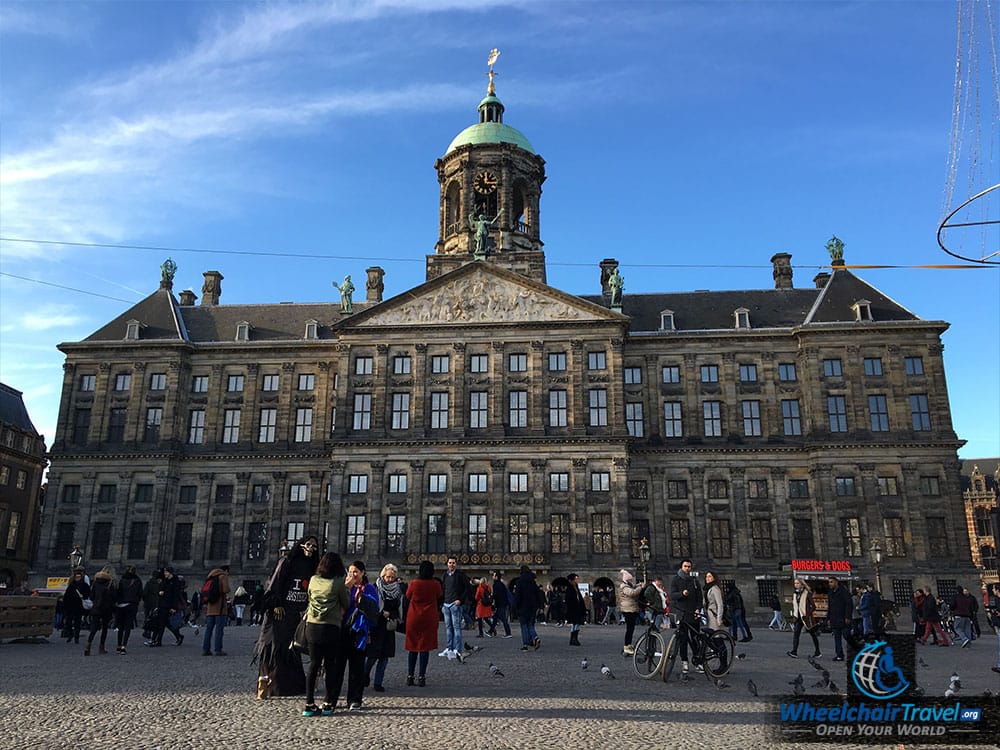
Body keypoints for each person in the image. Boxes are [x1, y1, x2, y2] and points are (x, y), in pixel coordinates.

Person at [254, 535, 319, 698]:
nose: (311, 548)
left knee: (292, 648)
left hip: (295, 613)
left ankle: (289, 685)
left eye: (315, 546)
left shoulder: (313, 567)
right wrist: (275, 603)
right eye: (309, 544)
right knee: (274, 647)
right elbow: (274, 584)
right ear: (301, 545)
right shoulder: (286, 562)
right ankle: (269, 682)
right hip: (279, 611)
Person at [302, 552, 349, 717]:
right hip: (330, 628)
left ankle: (309, 704)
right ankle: (328, 703)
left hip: (312, 626)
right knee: (330, 665)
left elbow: (309, 597)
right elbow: (346, 603)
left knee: (313, 664)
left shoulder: (313, 580)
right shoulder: (337, 583)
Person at [330, 560, 379, 711]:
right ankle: (331, 698)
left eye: (356, 571)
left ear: (363, 573)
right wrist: (346, 588)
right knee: (337, 667)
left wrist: (361, 598)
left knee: (356, 668)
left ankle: (355, 699)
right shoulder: (343, 587)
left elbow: (374, 609)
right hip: (341, 630)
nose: (353, 574)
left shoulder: (369, 588)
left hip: (359, 632)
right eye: (350, 571)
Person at [365, 563, 405, 693]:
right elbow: (371, 605)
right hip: (377, 625)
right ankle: (364, 676)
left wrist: (393, 615)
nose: (390, 580)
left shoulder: (397, 590)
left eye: (392, 577)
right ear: (383, 575)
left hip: (389, 626)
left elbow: (398, 608)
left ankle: (378, 682)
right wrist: (381, 613)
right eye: (388, 577)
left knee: (384, 656)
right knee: (373, 656)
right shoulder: (376, 587)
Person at [403, 560, 443, 687]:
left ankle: (410, 676)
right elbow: (439, 595)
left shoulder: (414, 583)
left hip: (414, 617)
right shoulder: (435, 584)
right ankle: (421, 677)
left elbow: (408, 596)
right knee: (424, 648)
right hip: (429, 617)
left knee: (412, 647)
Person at [669, 559, 702, 675]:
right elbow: (672, 595)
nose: (687, 568)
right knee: (683, 640)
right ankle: (684, 661)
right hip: (682, 614)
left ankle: (698, 661)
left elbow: (699, 597)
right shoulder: (676, 580)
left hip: (693, 614)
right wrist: (681, 594)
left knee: (695, 639)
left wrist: (698, 608)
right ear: (681, 567)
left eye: (689, 566)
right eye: (685, 566)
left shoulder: (694, 580)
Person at [439, 555, 471, 660]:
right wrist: (442, 601)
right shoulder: (445, 575)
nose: (451, 564)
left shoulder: (460, 575)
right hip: (446, 603)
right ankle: (449, 648)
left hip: (455, 604)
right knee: (448, 628)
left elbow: (467, 588)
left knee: (456, 627)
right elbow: (443, 588)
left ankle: (457, 649)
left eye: (453, 563)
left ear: (456, 564)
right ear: (447, 564)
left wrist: (460, 600)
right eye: (450, 563)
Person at [85, 565, 117, 656]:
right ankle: (101, 648)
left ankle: (88, 645)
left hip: (96, 608)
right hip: (106, 609)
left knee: (94, 628)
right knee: (104, 628)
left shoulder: (96, 582)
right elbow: (114, 597)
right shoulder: (111, 583)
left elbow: (91, 596)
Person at [147, 567, 184, 647]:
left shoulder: (175, 582)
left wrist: (174, 607)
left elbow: (175, 595)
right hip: (162, 604)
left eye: (166, 572)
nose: (165, 574)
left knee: (161, 623)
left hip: (168, 605)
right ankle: (178, 636)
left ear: (170, 573)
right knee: (165, 623)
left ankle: (157, 641)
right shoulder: (165, 580)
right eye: (164, 572)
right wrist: (160, 593)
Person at [787, 578, 822, 659]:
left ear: (802, 584)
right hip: (798, 617)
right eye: (795, 583)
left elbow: (813, 606)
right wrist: (795, 615)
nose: (796, 585)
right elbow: (795, 606)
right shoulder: (795, 594)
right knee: (796, 634)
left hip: (806, 618)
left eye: (797, 583)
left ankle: (818, 651)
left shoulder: (807, 593)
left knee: (813, 635)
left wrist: (808, 614)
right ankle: (794, 651)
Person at [201, 565, 231, 656]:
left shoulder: (210, 577)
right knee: (219, 630)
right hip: (220, 608)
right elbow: (226, 589)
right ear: (226, 570)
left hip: (210, 608)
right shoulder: (223, 576)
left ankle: (206, 649)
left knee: (208, 629)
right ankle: (218, 649)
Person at [513, 565, 542, 651]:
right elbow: (538, 594)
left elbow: (517, 596)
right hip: (532, 607)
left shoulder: (519, 582)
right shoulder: (533, 582)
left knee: (524, 626)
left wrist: (515, 606)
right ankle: (535, 637)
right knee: (530, 625)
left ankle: (525, 645)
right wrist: (539, 605)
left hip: (522, 607)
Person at [114, 565, 142, 654]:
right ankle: (123, 646)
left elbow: (118, 593)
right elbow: (140, 593)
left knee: (120, 626)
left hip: (121, 606)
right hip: (131, 605)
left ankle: (118, 645)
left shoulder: (122, 580)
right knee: (128, 626)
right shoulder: (137, 581)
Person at [826, 576, 855, 662]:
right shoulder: (830, 593)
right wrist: (828, 618)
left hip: (843, 618)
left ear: (836, 582)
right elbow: (830, 606)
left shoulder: (844, 591)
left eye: (831, 582)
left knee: (847, 635)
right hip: (834, 618)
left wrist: (848, 616)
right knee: (837, 637)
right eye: (829, 582)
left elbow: (849, 604)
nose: (830, 584)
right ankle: (839, 655)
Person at [618, 568, 644, 656]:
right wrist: (640, 587)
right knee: (629, 629)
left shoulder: (628, 585)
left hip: (631, 609)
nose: (631, 580)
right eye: (630, 579)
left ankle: (628, 645)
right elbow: (632, 593)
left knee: (631, 628)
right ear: (626, 580)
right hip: (628, 609)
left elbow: (633, 588)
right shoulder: (624, 586)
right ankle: (626, 646)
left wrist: (638, 585)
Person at [63, 567, 90, 645]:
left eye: (79, 576)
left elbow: (88, 594)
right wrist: (65, 605)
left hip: (79, 606)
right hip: (70, 606)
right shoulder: (72, 585)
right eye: (76, 576)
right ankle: (71, 634)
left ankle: (76, 637)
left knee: (77, 622)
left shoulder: (84, 585)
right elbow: (66, 596)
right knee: (68, 622)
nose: (77, 578)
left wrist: (83, 596)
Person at [489, 571, 512, 638]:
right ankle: (490, 631)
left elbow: (496, 595)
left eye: (493, 576)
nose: (492, 577)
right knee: (495, 618)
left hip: (500, 604)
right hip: (503, 603)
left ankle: (508, 633)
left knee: (503, 619)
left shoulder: (496, 584)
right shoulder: (502, 584)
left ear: (496, 577)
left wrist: (491, 597)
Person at [565, 573, 586, 646]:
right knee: (575, 623)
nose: (577, 580)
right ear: (572, 580)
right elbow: (568, 599)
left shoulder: (576, 587)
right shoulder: (569, 588)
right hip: (573, 609)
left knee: (577, 623)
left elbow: (579, 597)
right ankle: (573, 639)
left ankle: (574, 639)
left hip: (578, 608)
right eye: (575, 579)